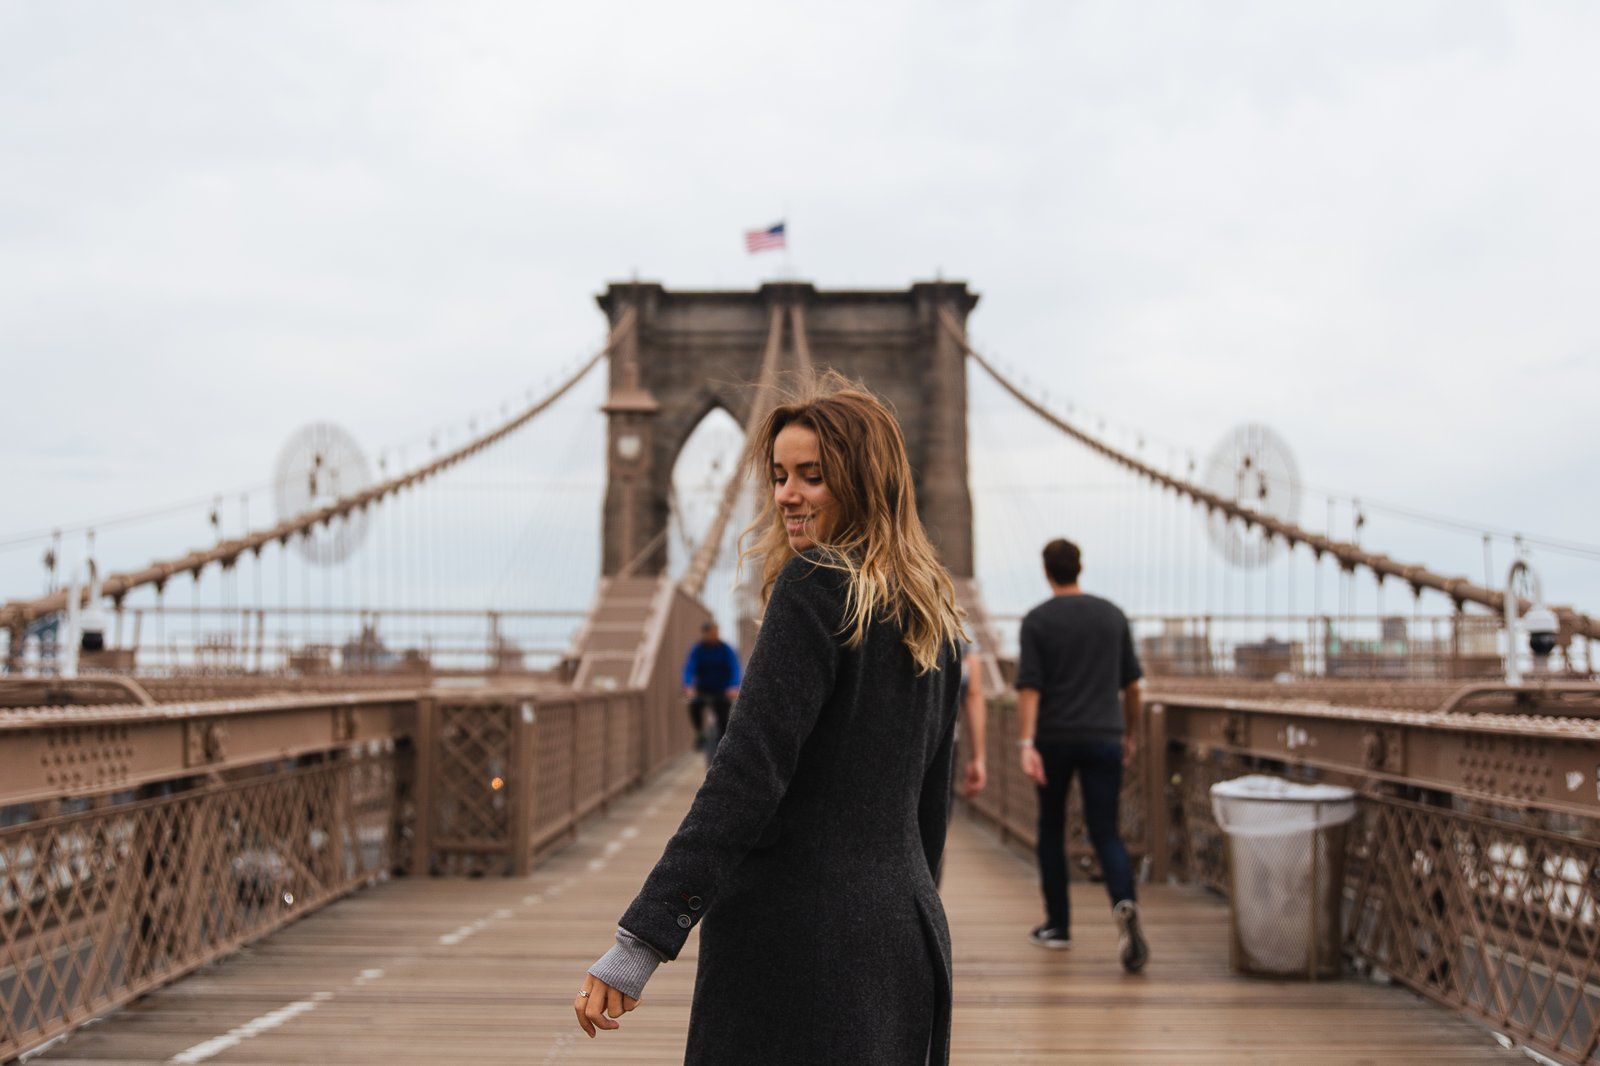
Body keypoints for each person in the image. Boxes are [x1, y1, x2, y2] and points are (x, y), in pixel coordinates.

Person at [575, 375, 967, 1065]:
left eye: (812, 476)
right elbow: (929, 803)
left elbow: (745, 777)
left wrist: (642, 941)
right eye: (780, 475)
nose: (787, 494)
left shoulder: (814, 584)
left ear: (864, 481)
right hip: (904, 939)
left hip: (800, 950)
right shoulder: (934, 613)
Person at [1015, 537, 1150, 974]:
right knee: (1106, 831)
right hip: (1104, 735)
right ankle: (1123, 901)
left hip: (1054, 738)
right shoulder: (1112, 616)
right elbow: (1132, 687)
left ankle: (1058, 927)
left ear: (1047, 570)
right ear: (1080, 567)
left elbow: (1030, 687)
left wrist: (1026, 743)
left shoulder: (1037, 620)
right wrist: (1130, 733)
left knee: (1051, 830)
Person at [681, 621, 741, 763]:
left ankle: (722, 750)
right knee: (693, 706)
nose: (715, 635)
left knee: (723, 721)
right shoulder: (698, 649)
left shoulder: (726, 649)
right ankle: (700, 733)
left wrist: (734, 686)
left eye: (716, 631)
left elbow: (735, 668)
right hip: (703, 689)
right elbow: (689, 668)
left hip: (722, 690)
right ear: (705, 634)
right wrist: (688, 686)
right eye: (711, 632)